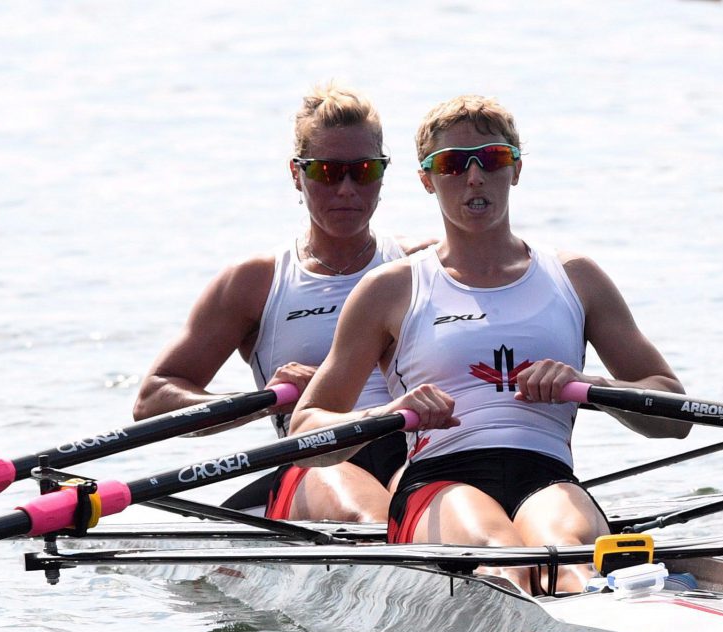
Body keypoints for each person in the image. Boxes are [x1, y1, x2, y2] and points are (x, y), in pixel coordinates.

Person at [289, 94, 688, 592]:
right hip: (438, 481)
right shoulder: (390, 289)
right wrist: (392, 412)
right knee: (504, 562)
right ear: (426, 180)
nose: (474, 177)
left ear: (515, 169)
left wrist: (591, 386)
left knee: (570, 567)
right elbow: (307, 430)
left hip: (545, 475)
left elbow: (674, 417)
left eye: (492, 160)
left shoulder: (576, 277)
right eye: (453, 164)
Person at [133, 83, 433, 522]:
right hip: (316, 458)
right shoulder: (255, 282)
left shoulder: (424, 263)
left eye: (363, 170)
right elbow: (153, 399)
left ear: (383, 173)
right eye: (328, 172)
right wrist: (267, 400)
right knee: (376, 512)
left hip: (416, 450)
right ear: (297, 174)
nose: (347, 188)